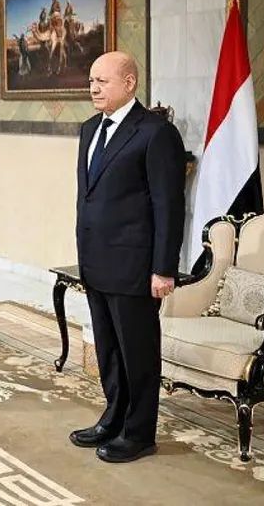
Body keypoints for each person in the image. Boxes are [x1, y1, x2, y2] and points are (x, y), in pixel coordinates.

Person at [70, 50, 185, 463]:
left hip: (135, 266)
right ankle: (113, 418)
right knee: (108, 350)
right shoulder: (89, 129)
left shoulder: (156, 133)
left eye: (102, 81)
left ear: (130, 83)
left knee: (138, 353)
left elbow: (168, 205)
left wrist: (163, 269)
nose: (93, 88)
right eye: (91, 81)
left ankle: (139, 433)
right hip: (96, 261)